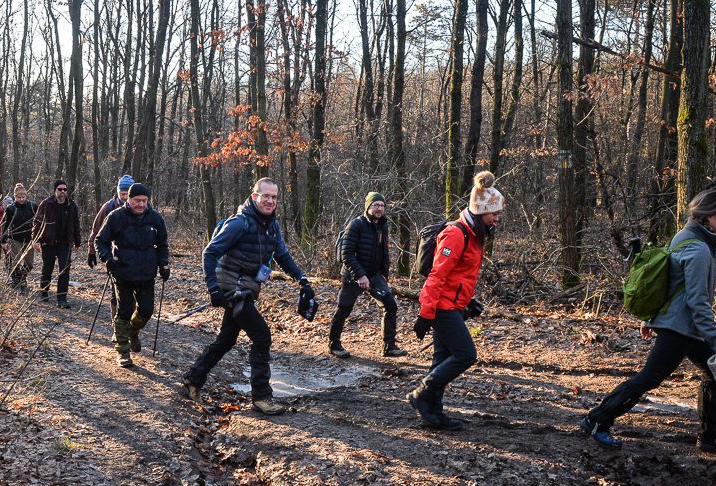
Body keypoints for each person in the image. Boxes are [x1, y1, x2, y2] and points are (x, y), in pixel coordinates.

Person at [580, 189, 716, 454]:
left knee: (713, 374)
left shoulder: (684, 236)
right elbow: (697, 303)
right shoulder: (698, 249)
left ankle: (712, 437)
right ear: (708, 217)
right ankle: (597, 419)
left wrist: (652, 319)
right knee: (649, 378)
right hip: (680, 328)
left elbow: (667, 284)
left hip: (681, 325)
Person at [182, 178, 315, 415]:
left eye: (274, 197)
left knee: (226, 339)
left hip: (246, 290)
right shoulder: (239, 223)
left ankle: (193, 379)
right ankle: (262, 397)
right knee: (262, 337)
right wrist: (213, 289)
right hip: (233, 290)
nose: (270, 201)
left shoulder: (272, 226)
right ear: (255, 197)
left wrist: (303, 280)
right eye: (266, 196)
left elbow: (283, 257)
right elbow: (209, 253)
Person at [408, 171, 504, 431]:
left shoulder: (475, 235)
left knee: (442, 358)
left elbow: (460, 275)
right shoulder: (456, 234)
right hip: (441, 306)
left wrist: (468, 301)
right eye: (494, 213)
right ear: (482, 210)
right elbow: (437, 276)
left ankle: (432, 412)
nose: (497, 218)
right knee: (465, 355)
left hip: (453, 305)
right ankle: (421, 394)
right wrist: (425, 313)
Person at [95, 182, 170, 368]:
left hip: (146, 272)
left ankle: (132, 330)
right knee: (124, 310)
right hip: (122, 271)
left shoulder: (155, 218)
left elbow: (163, 244)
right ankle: (123, 352)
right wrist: (108, 260)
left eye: (144, 201)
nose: (141, 205)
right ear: (128, 199)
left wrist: (164, 264)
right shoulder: (116, 217)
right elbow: (100, 241)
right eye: (137, 201)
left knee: (146, 310)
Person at [328, 192, 406, 358]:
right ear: (368, 207)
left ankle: (389, 347)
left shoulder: (382, 226)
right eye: (375, 205)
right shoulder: (356, 225)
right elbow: (346, 254)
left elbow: (385, 251)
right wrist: (360, 275)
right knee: (344, 309)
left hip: (375, 275)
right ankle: (334, 344)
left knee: (390, 305)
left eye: (382, 206)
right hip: (353, 276)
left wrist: (384, 274)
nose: (379, 208)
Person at [33, 179, 81, 308]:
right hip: (48, 242)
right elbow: (37, 223)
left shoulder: (72, 205)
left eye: (65, 190)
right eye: (60, 189)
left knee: (64, 270)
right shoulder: (46, 204)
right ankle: (44, 292)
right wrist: (36, 240)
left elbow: (76, 224)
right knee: (47, 268)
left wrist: (77, 242)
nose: (63, 192)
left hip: (65, 243)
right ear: (55, 190)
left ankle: (62, 298)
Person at [87, 174, 134, 270]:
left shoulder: (139, 208)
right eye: (122, 193)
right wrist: (91, 251)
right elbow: (96, 230)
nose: (125, 197)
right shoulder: (108, 207)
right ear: (118, 192)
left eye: (127, 194)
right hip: (114, 252)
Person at [4, 183, 38, 290]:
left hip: (29, 239)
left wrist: (38, 238)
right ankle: (17, 282)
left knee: (29, 263)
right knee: (15, 263)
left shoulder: (33, 206)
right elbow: (5, 226)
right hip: (15, 239)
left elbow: (38, 223)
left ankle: (22, 278)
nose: (21, 199)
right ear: (15, 197)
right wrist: (4, 241)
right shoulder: (10, 209)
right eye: (19, 197)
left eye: (23, 197)